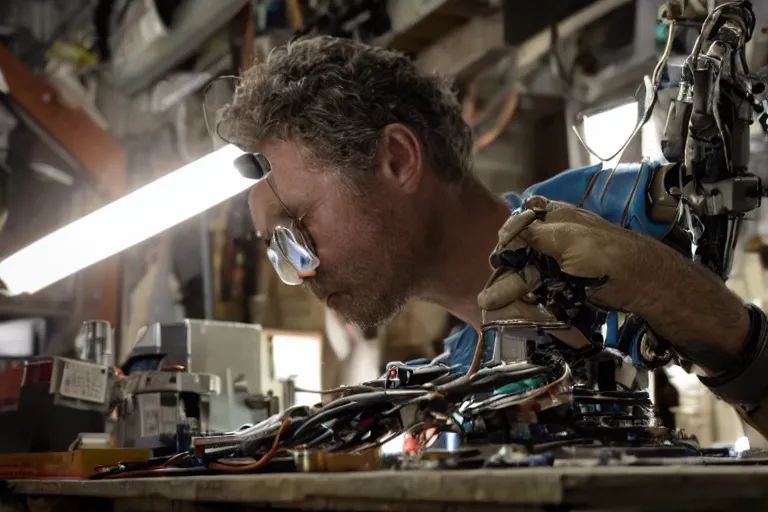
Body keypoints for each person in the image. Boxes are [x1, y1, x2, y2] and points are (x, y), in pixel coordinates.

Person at [217, 36, 768, 438]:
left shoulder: (594, 218)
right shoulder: (458, 380)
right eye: (280, 249)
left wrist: (664, 287)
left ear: (397, 159)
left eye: (300, 225)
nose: (302, 271)